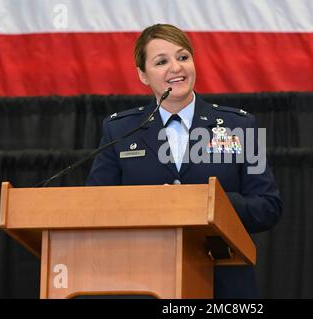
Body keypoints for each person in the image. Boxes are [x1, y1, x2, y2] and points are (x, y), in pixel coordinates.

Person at [86, 24, 282, 298]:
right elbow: (95, 208)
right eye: (161, 61)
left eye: (183, 57)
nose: (176, 68)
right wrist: (153, 206)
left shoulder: (241, 125)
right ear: (143, 75)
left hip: (224, 285)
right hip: (142, 281)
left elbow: (268, 206)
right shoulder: (119, 131)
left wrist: (209, 203)